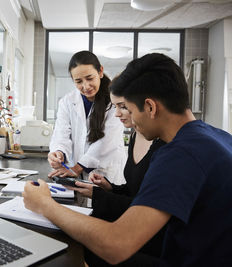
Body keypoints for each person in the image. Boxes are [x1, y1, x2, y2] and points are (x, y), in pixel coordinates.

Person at [23, 53, 232, 266]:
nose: (122, 116)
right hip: (188, 247)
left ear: (150, 107)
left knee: (81, 248)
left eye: (128, 109)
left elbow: (116, 244)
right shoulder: (216, 137)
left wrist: (44, 204)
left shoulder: (180, 154)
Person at [69, 91, 166, 266]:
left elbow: (146, 209)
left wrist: (48, 207)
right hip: (139, 224)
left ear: (148, 106)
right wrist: (110, 188)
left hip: (157, 241)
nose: (116, 114)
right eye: (115, 107)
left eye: (123, 107)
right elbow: (136, 190)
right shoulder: (137, 135)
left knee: (87, 242)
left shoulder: (164, 147)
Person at [48, 50, 126, 185]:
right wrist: (58, 153)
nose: (86, 86)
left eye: (90, 78)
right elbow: (61, 133)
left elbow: (107, 141)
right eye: (78, 81)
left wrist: (77, 168)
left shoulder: (115, 100)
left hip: (106, 173)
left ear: (100, 72)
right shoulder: (67, 102)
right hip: (76, 172)